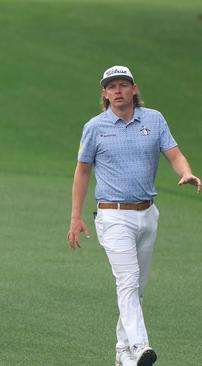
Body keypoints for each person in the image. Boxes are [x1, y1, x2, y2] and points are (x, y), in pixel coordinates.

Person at [67, 65, 201, 366]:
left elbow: (175, 154)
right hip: (113, 216)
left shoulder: (154, 120)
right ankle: (141, 347)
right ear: (104, 93)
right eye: (111, 86)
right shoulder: (95, 127)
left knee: (136, 287)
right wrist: (75, 216)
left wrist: (186, 172)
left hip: (147, 214)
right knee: (127, 282)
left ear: (134, 89)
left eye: (123, 85)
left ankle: (122, 353)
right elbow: (82, 171)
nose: (117, 90)